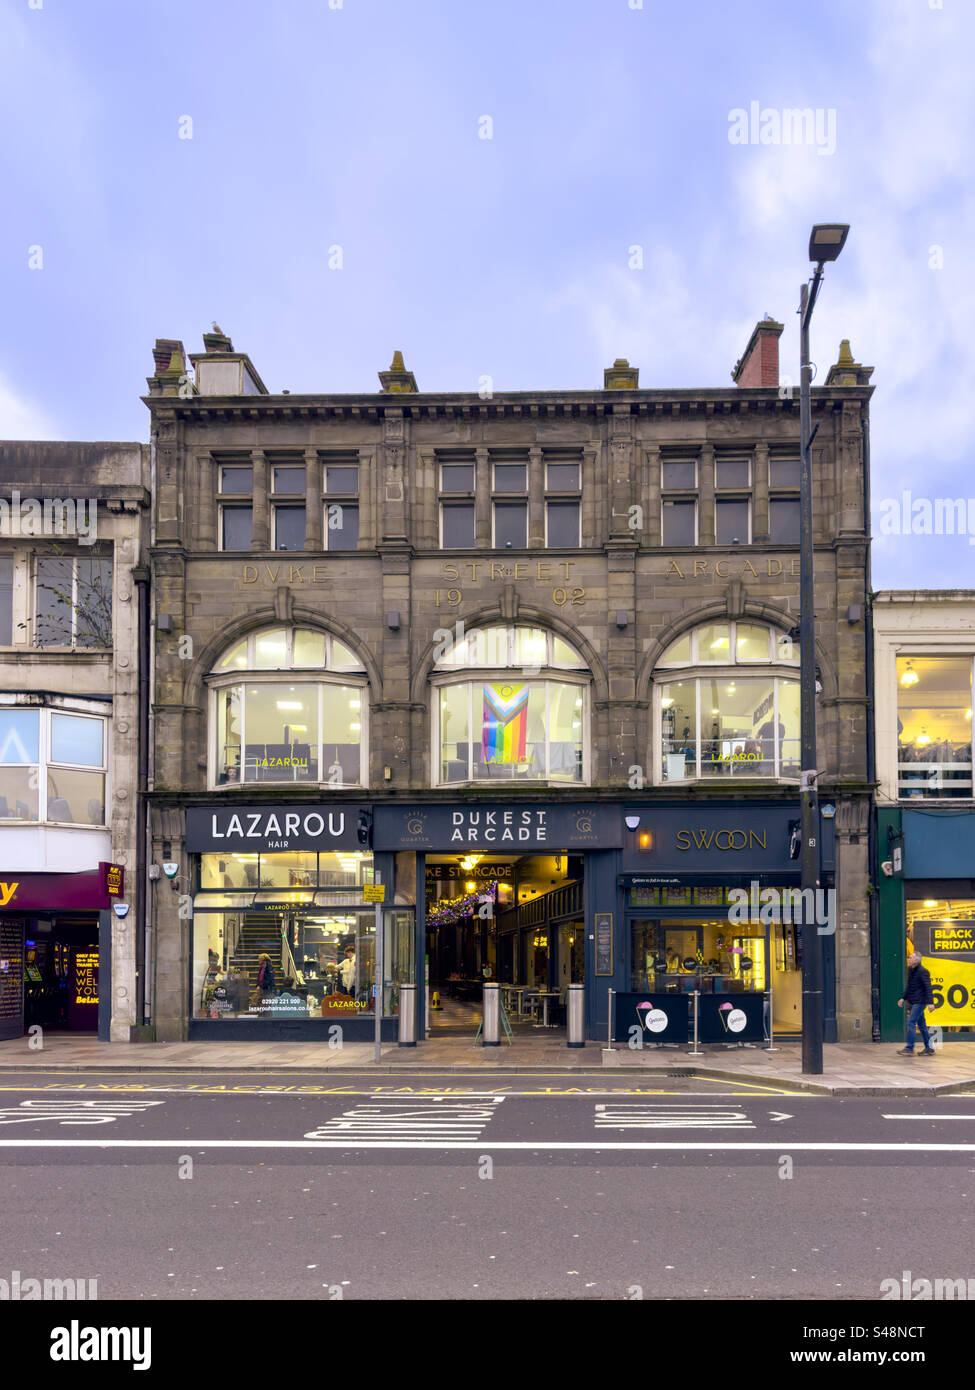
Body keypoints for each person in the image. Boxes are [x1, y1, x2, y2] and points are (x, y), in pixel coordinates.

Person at [897, 951, 936, 1055]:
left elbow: (928, 987)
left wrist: (930, 1003)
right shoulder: (911, 970)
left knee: (911, 1022)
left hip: (920, 1001)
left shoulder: (923, 971)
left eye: (910, 958)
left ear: (916, 960)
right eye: (909, 958)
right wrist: (902, 998)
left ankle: (909, 1048)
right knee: (922, 1025)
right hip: (914, 1001)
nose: (908, 959)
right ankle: (929, 1048)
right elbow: (909, 986)